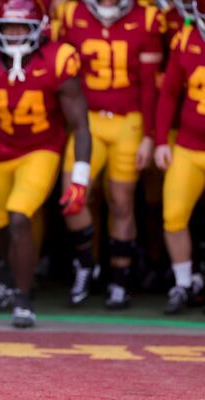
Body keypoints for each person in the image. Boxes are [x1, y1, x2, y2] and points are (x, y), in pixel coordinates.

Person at [0, 0, 91, 327]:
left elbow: (80, 124)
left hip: (42, 150)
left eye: (23, 27)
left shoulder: (58, 59)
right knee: (1, 224)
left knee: (20, 217)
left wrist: (80, 176)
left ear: (39, 29)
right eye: (9, 27)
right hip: (2, 149)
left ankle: (23, 298)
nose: (16, 34)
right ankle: (9, 274)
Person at [59, 0, 164, 308]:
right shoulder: (70, 13)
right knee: (73, 196)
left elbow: (149, 85)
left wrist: (148, 136)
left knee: (121, 201)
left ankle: (120, 279)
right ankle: (85, 265)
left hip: (128, 120)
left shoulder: (148, 17)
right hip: (88, 121)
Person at [154, 4, 205, 314]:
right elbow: (170, 92)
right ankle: (184, 283)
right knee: (173, 215)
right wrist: (161, 140)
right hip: (188, 143)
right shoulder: (186, 38)